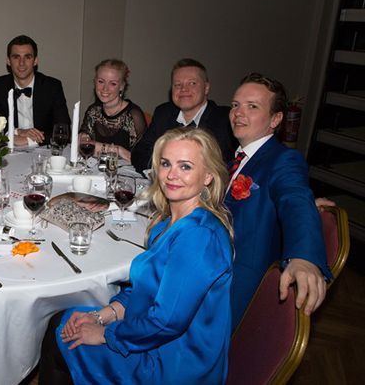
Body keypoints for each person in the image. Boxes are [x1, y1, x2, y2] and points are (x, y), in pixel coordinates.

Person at [39, 127, 233, 384]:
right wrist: (100, 316)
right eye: (166, 163)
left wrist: (105, 334)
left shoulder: (199, 237)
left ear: (208, 176)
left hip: (172, 361)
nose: (171, 175)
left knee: (61, 337)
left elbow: (166, 322)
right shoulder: (168, 223)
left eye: (185, 166)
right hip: (151, 331)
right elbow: (146, 290)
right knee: (63, 322)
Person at [226, 73, 331, 329]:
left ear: (275, 119)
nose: (238, 113)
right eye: (236, 104)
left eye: (252, 106)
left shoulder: (284, 159)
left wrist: (303, 257)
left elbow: (294, 197)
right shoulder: (236, 159)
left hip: (237, 280)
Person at [131, 58, 236, 172]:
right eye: (177, 84)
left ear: (206, 88)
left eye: (192, 83)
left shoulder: (226, 119)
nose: (184, 89)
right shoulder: (163, 113)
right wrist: (164, 169)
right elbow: (139, 153)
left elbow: (226, 166)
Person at [0, 35, 71, 146]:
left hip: (43, 151)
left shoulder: (52, 87)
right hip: (10, 152)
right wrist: (16, 132)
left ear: (35, 61)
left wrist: (28, 141)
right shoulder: (0, 85)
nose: (21, 63)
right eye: (16, 57)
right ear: (8, 61)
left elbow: (63, 131)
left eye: (27, 57)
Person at [79, 59, 147, 161]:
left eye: (113, 83)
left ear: (122, 86)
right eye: (101, 81)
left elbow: (142, 158)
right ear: (94, 82)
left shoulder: (133, 115)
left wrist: (102, 147)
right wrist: (82, 137)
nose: (105, 89)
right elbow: (82, 142)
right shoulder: (93, 111)